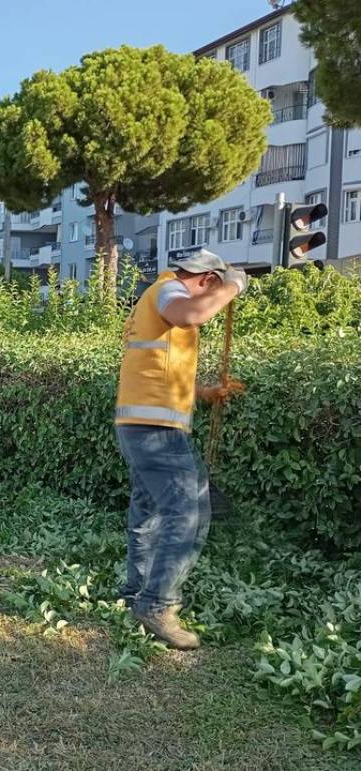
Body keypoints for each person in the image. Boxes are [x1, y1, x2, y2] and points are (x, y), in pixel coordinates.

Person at [114, 249, 248, 650]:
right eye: (214, 285)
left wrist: (204, 393)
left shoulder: (152, 297)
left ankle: (135, 592)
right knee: (187, 513)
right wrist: (234, 286)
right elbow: (190, 314)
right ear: (206, 279)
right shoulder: (169, 291)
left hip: (140, 424)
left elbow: (158, 368)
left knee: (148, 512)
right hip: (154, 429)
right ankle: (157, 604)